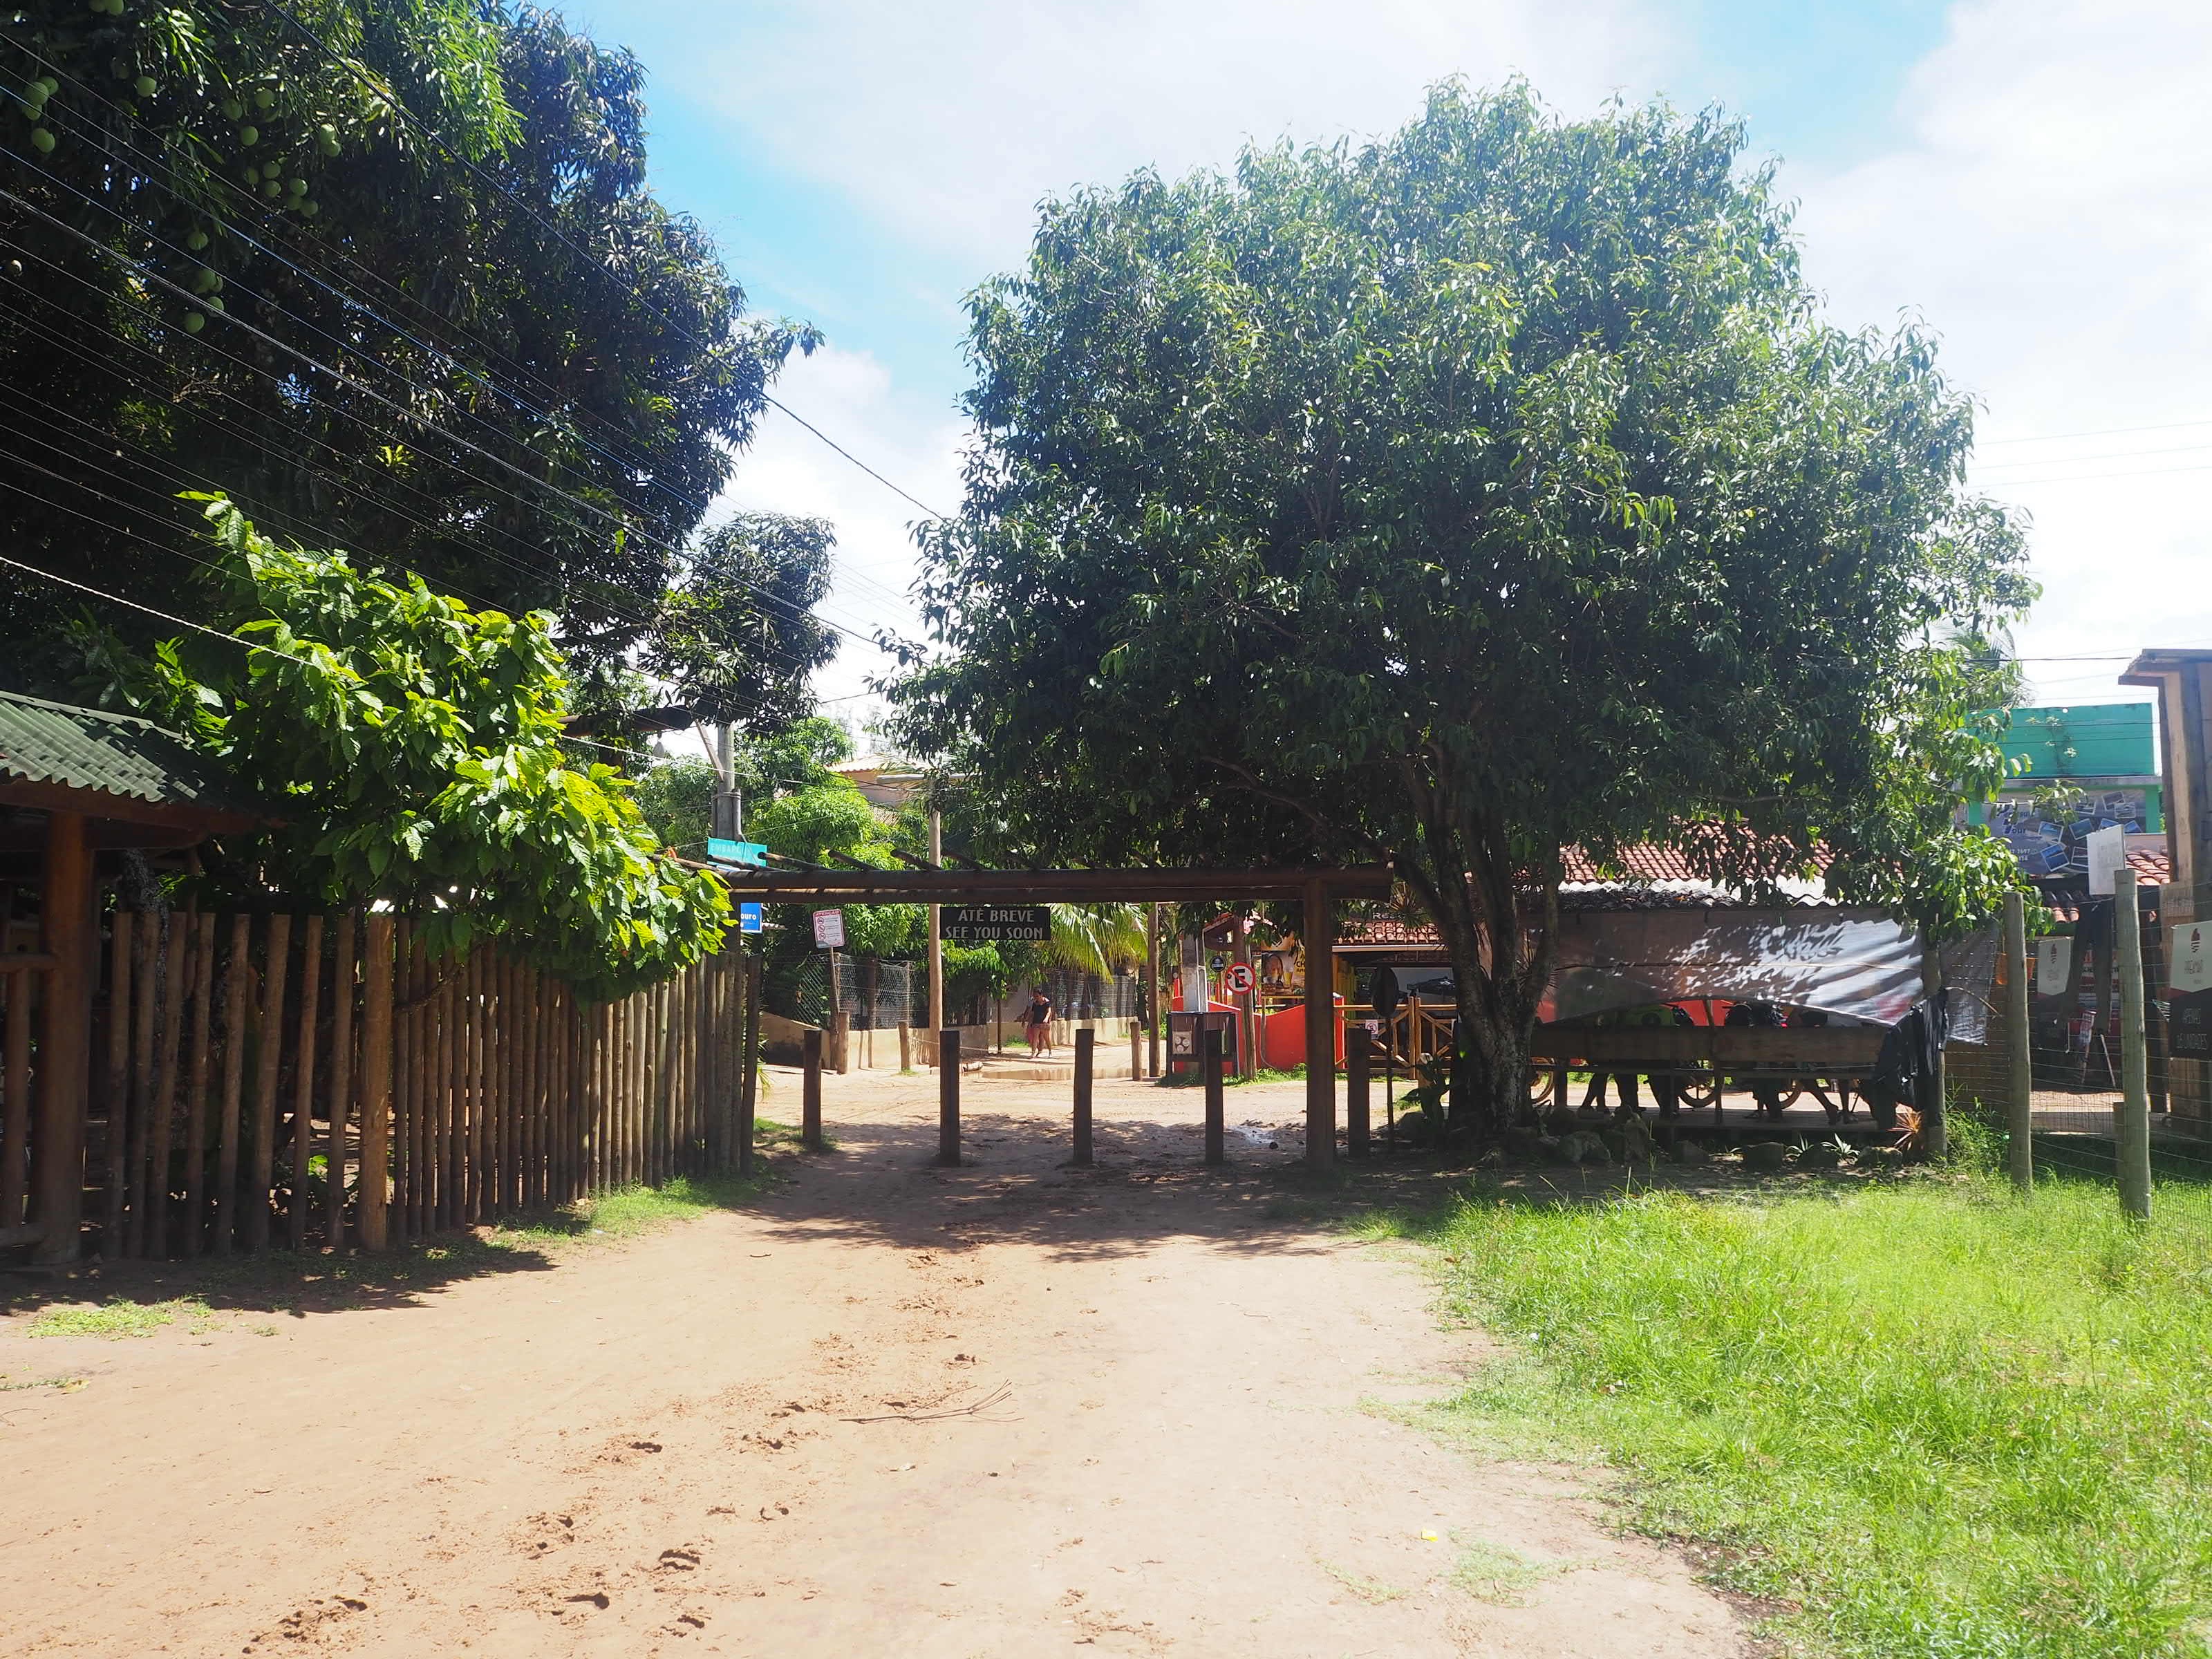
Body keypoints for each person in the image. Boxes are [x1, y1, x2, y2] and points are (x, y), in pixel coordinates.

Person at [1023, 988, 1056, 1057]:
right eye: (1035, 996)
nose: (1036, 998)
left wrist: (1046, 1019)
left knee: (1046, 1038)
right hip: (1036, 1022)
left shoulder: (1047, 1002)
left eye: (1037, 996)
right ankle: (1033, 1053)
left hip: (1044, 1023)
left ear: (1041, 995)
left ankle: (1050, 1051)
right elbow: (1033, 1013)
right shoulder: (1035, 1003)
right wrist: (1030, 1022)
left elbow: (1049, 1012)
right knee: (1035, 1038)